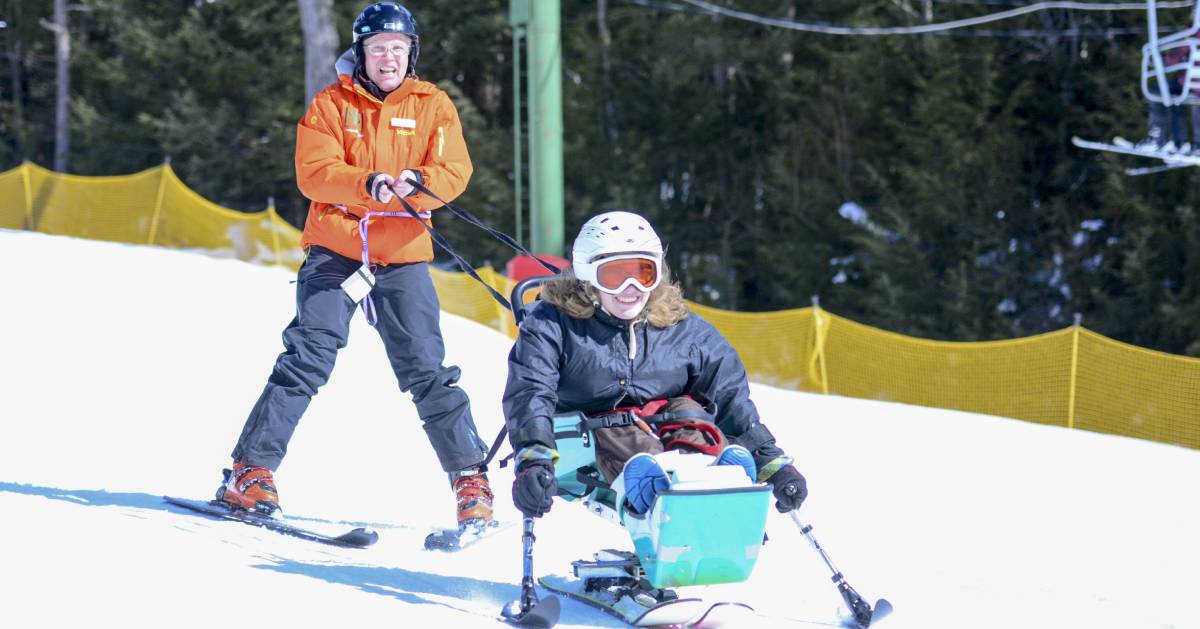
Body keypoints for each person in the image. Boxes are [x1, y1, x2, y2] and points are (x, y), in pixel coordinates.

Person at [219, 2, 493, 530]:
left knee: (426, 369)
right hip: (337, 247)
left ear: (411, 53)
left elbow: (455, 169)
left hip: (403, 252)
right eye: (377, 48)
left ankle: (470, 480)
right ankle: (249, 473)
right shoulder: (329, 104)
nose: (388, 58)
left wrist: (418, 181)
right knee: (307, 357)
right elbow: (315, 173)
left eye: (397, 48)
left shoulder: (433, 104)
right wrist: (367, 184)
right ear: (360, 53)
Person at [503, 211, 808, 520]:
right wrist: (534, 458)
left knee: (690, 414)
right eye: (614, 275)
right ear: (588, 276)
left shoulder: (682, 328)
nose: (631, 288)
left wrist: (772, 463)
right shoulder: (552, 324)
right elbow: (531, 391)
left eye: (643, 273)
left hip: (663, 427)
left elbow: (729, 394)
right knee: (624, 433)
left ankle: (715, 480)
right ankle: (661, 489)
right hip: (584, 436)